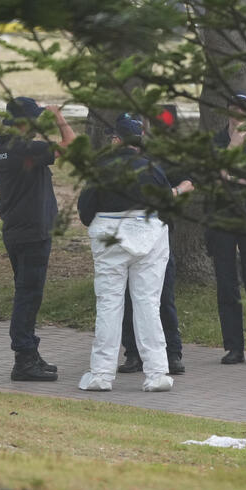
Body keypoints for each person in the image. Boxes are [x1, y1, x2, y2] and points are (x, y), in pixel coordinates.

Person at [76, 115, 174, 393]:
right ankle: (157, 373)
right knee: (147, 304)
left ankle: (101, 374)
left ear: (117, 140)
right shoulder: (153, 168)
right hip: (150, 235)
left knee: (108, 304)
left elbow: (85, 211)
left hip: (110, 237)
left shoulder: (101, 168)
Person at [0, 97, 76, 382]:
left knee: (26, 293)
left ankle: (29, 352)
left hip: (16, 230)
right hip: (32, 233)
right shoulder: (24, 149)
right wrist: (60, 118)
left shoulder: (2, 148)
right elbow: (71, 146)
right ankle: (24, 358)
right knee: (29, 295)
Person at [115, 114, 194, 376]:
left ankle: (172, 353)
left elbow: (187, 182)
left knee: (162, 296)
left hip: (158, 236)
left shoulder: (161, 159)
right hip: (126, 234)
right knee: (128, 297)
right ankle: (133, 353)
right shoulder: (114, 163)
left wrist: (174, 192)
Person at [207, 92, 246, 366]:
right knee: (226, 284)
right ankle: (233, 347)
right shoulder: (218, 141)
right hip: (222, 218)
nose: (239, 114)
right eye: (235, 108)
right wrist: (233, 146)